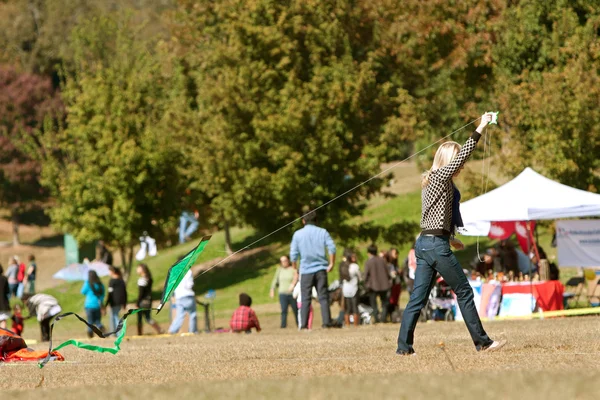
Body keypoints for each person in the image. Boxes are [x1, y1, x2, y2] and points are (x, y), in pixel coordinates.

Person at [397, 112, 505, 355]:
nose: (462, 165)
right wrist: (482, 126)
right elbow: (465, 153)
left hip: (426, 243)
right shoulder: (440, 177)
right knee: (464, 292)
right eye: (458, 160)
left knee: (417, 299)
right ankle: (483, 343)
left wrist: (451, 238)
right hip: (434, 245)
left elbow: (434, 218)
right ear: (449, 160)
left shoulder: (436, 181)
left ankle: (404, 348)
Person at [290, 210, 339, 329]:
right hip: (321, 269)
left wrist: (295, 268)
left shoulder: (298, 234)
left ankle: (304, 325)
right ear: (316, 220)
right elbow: (332, 248)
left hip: (306, 270)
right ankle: (326, 322)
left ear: (303, 221)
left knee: (305, 297)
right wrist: (331, 263)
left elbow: (293, 254)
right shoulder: (323, 232)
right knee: (323, 297)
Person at [364, 244, 392, 323]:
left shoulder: (368, 262)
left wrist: (365, 284)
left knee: (374, 303)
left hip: (373, 286)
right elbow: (387, 273)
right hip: (384, 285)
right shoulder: (382, 260)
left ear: (369, 253)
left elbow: (365, 275)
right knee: (384, 303)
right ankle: (383, 318)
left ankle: (376, 318)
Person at [269, 255, 298, 328]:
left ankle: (299, 324)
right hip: (282, 293)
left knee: (295, 310)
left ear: (288, 260)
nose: (284, 262)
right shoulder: (279, 270)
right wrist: (272, 289)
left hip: (292, 293)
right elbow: (275, 280)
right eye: (282, 261)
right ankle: (283, 325)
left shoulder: (292, 269)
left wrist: (293, 285)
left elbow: (296, 277)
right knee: (284, 310)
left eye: (285, 260)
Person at [168, 269, 198, 334]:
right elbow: (189, 285)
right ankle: (193, 331)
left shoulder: (176, 272)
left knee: (179, 315)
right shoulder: (188, 271)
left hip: (178, 297)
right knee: (192, 314)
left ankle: (172, 330)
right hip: (188, 296)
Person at [136, 263, 163, 335]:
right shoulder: (149, 278)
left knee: (139, 318)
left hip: (142, 302)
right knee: (148, 318)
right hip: (149, 301)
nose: (137, 270)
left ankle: (139, 333)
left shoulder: (142, 280)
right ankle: (159, 329)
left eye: (138, 268)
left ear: (142, 269)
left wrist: (137, 302)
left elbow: (141, 293)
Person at [81, 270, 105, 338]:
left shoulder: (88, 283)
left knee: (90, 321)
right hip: (98, 305)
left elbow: (82, 292)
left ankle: (90, 335)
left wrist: (86, 282)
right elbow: (102, 295)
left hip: (89, 305)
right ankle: (102, 329)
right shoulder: (100, 284)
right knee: (98, 321)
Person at [340, 250, 361, 327]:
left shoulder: (343, 266)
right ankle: (355, 324)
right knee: (355, 306)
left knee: (347, 307)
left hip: (346, 289)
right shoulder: (355, 266)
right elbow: (360, 277)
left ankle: (347, 324)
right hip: (354, 288)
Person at [105, 266, 128, 334]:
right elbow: (124, 292)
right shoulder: (121, 280)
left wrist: (106, 304)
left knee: (114, 316)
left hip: (114, 302)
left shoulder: (112, 281)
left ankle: (118, 333)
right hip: (120, 302)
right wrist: (124, 303)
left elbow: (110, 293)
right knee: (114, 316)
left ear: (113, 272)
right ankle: (115, 332)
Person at [387, 249, 402, 321]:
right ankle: (390, 316)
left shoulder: (395, 264)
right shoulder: (389, 264)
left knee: (395, 301)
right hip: (392, 285)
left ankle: (395, 317)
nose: (396, 255)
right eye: (394, 254)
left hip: (396, 284)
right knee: (391, 301)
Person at [0, 264, 9, 330]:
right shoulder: (4, 278)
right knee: (3, 320)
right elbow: (8, 291)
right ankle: (2, 338)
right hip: (3, 303)